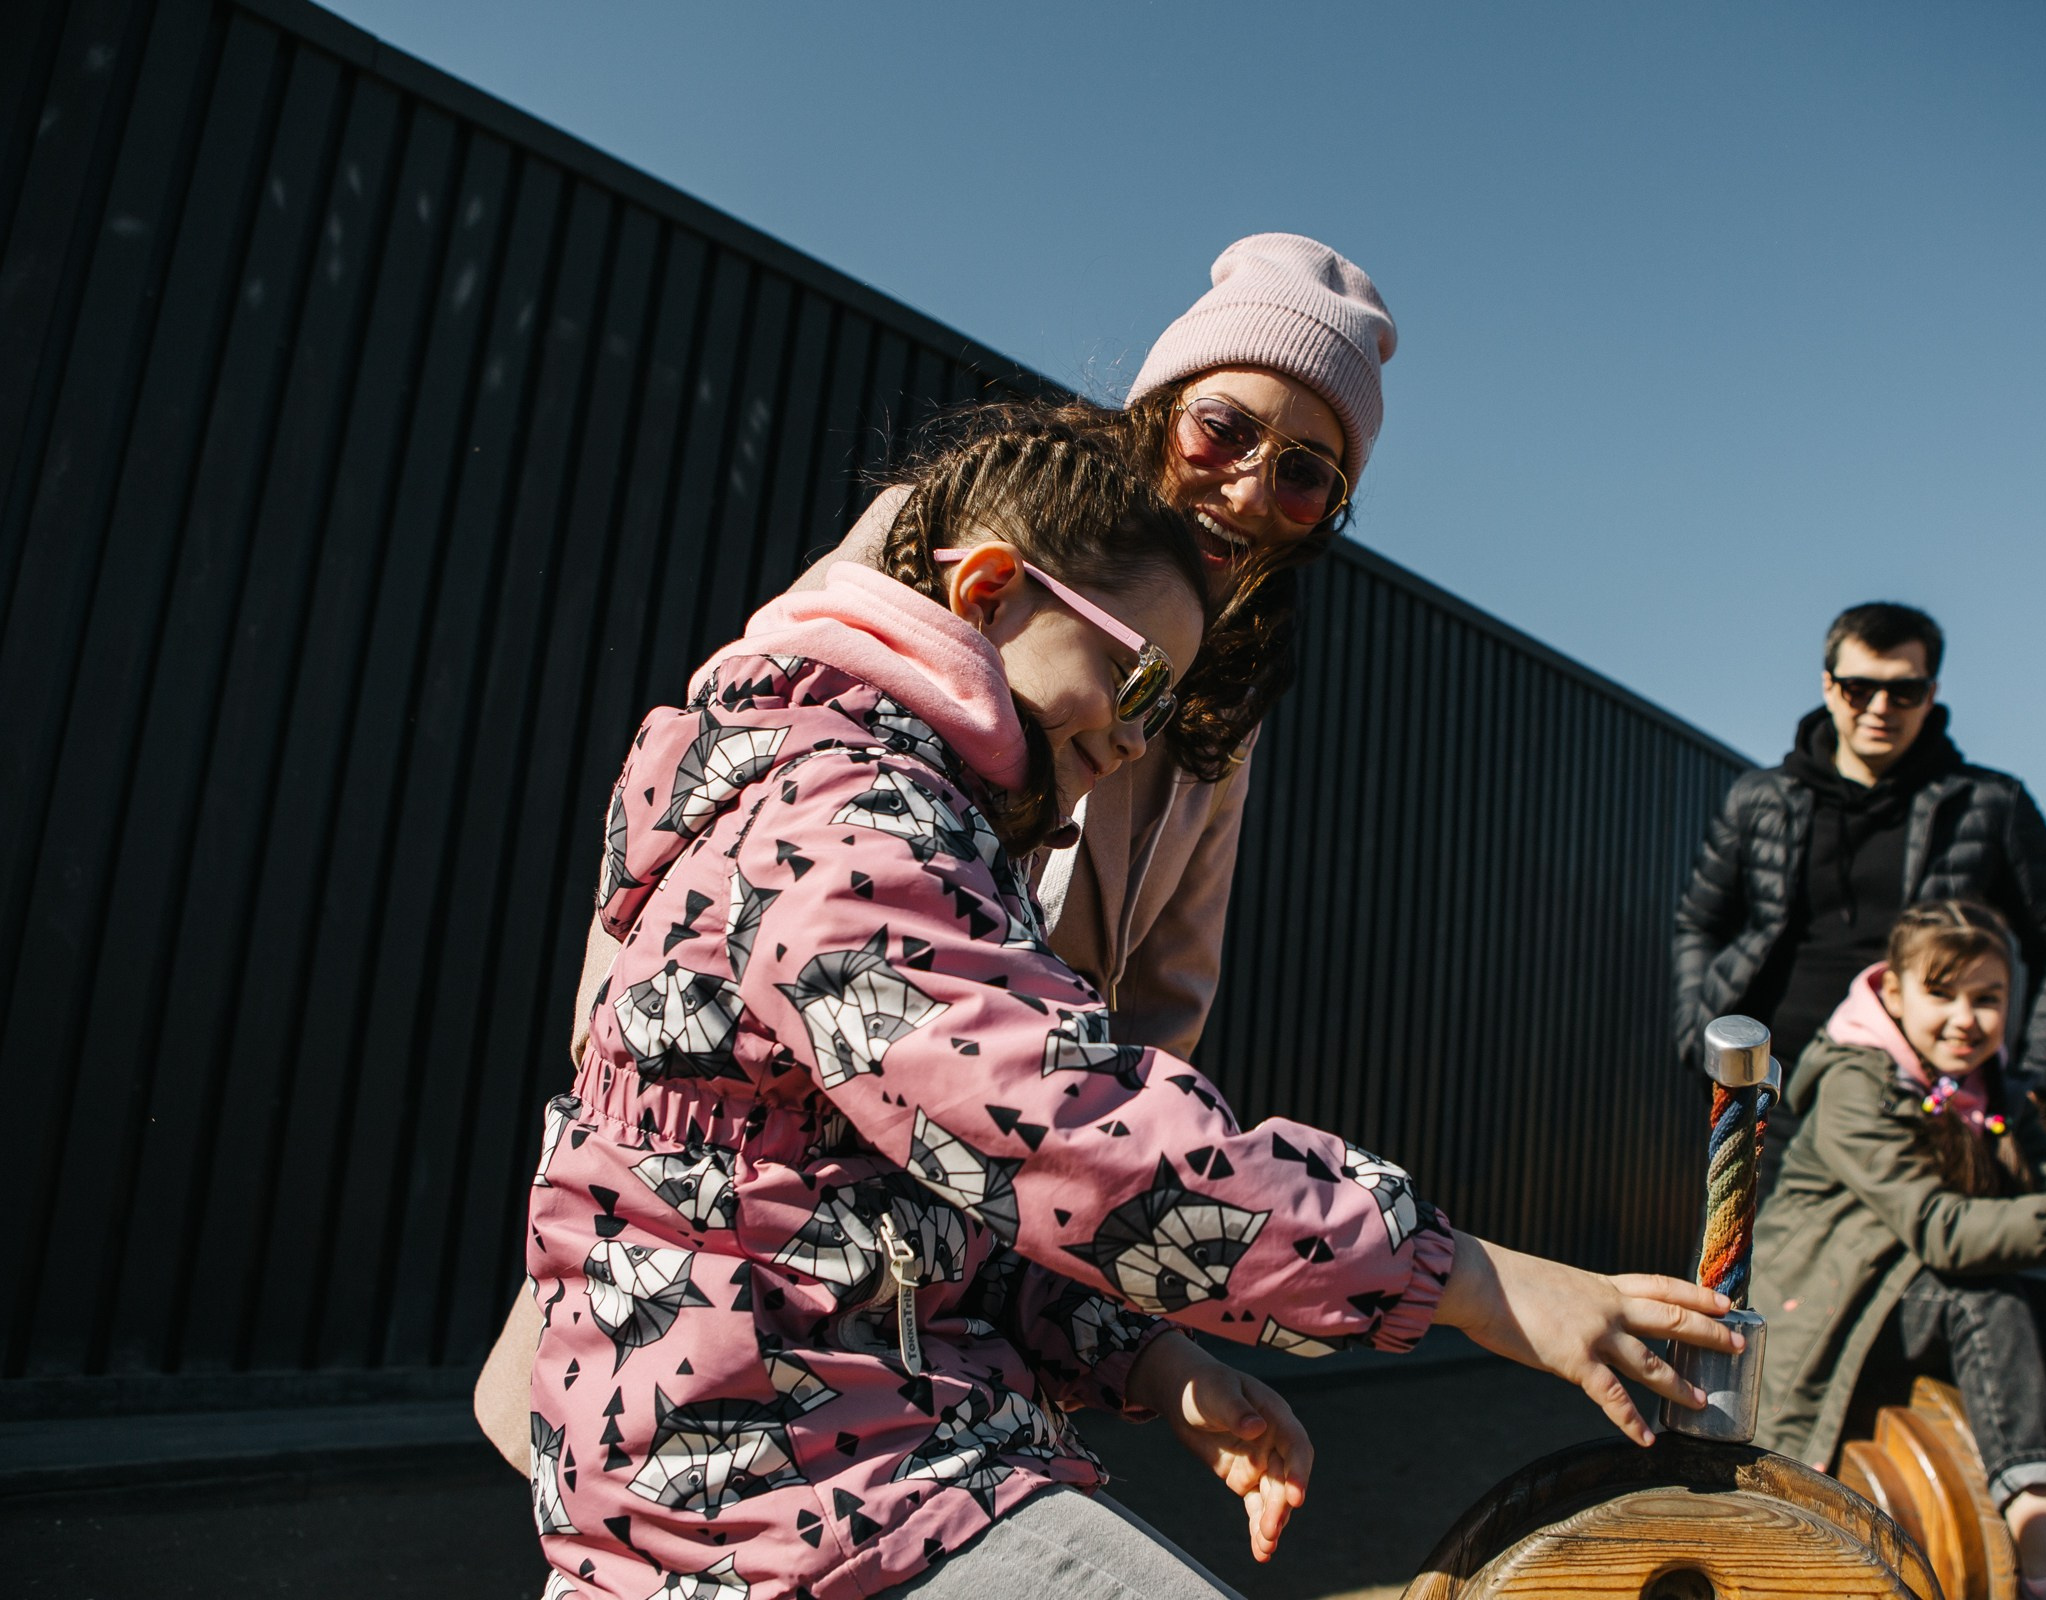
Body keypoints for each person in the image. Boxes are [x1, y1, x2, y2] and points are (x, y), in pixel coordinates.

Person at [527, 413, 1740, 1599]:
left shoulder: (901, 804)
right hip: (772, 1470)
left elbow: (910, 1210)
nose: (1136, 733)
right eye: (1130, 672)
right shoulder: (847, 819)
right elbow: (1069, 1127)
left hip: (828, 1431)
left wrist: (1153, 1362)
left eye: (1168, 704)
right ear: (990, 591)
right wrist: (1469, 1277)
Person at [478, 234, 1399, 1457]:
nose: (1246, 487)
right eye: (1225, 430)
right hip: (734, 1189)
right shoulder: (959, 531)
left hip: (969, 1234)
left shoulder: (1221, 707)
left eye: (1302, 477)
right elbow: (734, 791)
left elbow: (1166, 996)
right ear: (1160, 409)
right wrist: (630, 1113)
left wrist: (1101, 1246)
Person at [1751, 901, 2046, 1600]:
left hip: (1916, 1294)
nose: (1966, 1018)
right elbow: (1940, 1227)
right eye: (1942, 993)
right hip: (1832, 1310)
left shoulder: (1997, 1093)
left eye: (1987, 998)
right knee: (1985, 1299)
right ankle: (2044, 1544)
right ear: (1894, 992)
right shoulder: (1856, 1081)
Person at [1671, 601, 2046, 1180]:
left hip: (1921, 1101)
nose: (1879, 708)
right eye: (1858, 688)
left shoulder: (1991, 804)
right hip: (1772, 1092)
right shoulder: (1760, 798)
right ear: (1827, 685)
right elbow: (1699, 921)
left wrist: (2038, 1083)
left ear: (1932, 692)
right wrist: (1698, 1038)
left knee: (1923, 1264)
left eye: (1904, 691)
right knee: (1746, 1264)